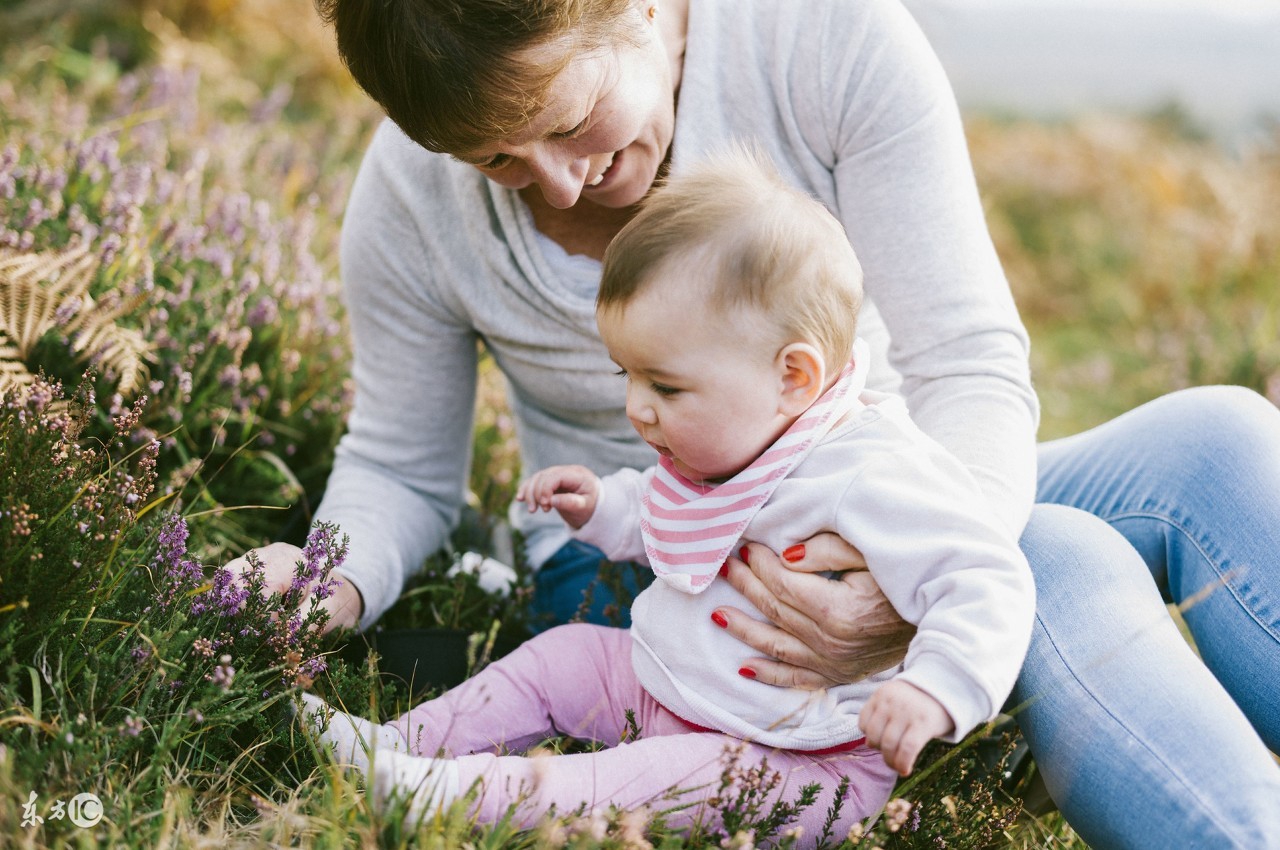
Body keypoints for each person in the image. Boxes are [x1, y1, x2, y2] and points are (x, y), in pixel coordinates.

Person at [230, 0, 1280, 844]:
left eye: (562, 119)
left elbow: (965, 365)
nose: (550, 180)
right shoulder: (412, 194)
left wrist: (899, 574)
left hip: (863, 479)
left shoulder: (818, 38)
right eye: (493, 159)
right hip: (676, 567)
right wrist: (323, 584)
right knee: (1054, 553)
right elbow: (400, 468)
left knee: (1218, 438)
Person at [300, 149, 1035, 836]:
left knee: (638, 781)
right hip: (675, 684)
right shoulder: (748, 434)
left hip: (795, 759)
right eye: (629, 376)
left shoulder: (872, 473)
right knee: (562, 659)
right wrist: (604, 507)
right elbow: (679, 506)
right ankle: (399, 743)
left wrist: (937, 687)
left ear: (795, 378)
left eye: (666, 385)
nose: (637, 408)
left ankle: (447, 797)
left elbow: (984, 576)